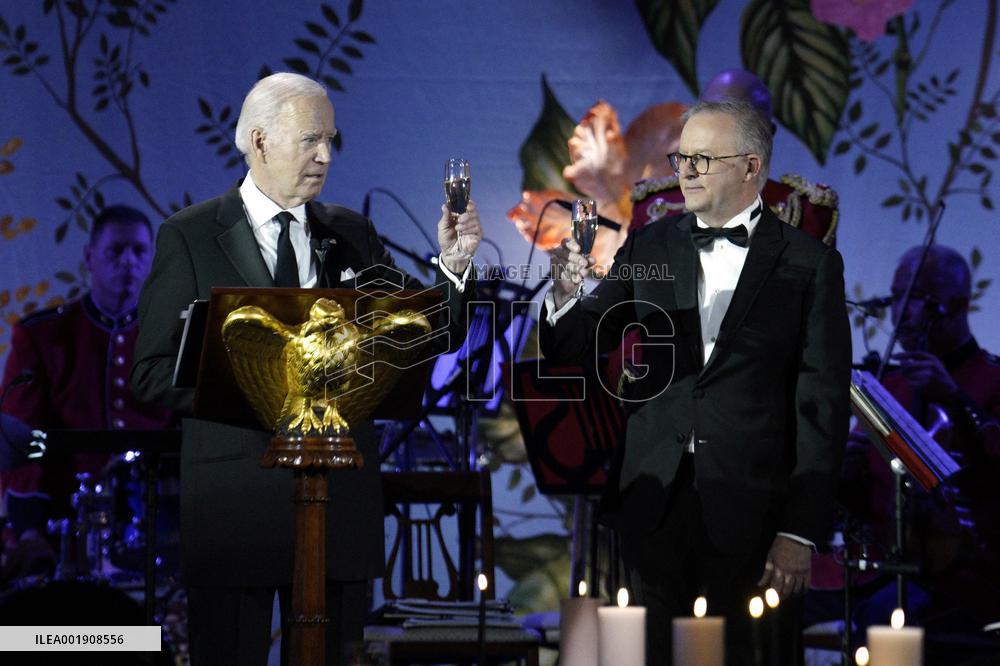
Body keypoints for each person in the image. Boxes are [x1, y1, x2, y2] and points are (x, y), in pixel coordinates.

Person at [130, 72, 481, 666]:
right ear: (259, 140)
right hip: (235, 508)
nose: (325, 156)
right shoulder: (189, 237)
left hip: (338, 503)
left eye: (331, 141)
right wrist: (264, 390)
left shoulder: (351, 234)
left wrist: (452, 271)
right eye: (311, 139)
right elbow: (150, 372)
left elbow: (426, 335)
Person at [541, 99, 851, 665]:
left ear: (751, 167)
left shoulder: (810, 264)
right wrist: (563, 296)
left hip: (754, 511)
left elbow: (822, 405)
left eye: (703, 160)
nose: (683, 171)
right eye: (681, 156)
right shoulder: (651, 244)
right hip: (653, 500)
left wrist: (801, 531)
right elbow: (577, 342)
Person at [0, 205, 174, 581]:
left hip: (156, 525)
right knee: (47, 635)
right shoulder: (41, 336)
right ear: (90, 258)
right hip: (61, 524)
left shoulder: (174, 338)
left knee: (151, 638)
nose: (128, 262)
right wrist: (29, 528)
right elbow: (20, 439)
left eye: (139, 251)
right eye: (115, 251)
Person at [848, 245, 1000, 641]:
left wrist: (954, 399)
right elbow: (858, 484)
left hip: (968, 575)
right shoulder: (888, 385)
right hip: (882, 567)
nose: (903, 313)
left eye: (919, 298)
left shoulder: (992, 379)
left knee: (884, 620)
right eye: (898, 297)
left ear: (961, 304)